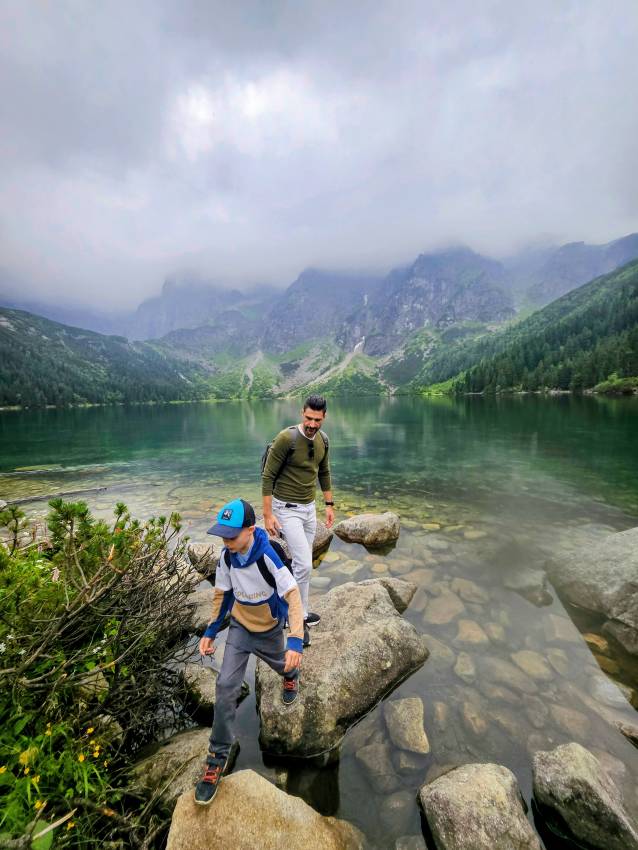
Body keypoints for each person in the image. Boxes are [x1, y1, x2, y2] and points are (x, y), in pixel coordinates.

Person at [194, 498, 304, 806]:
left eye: (232, 535)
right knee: (225, 686)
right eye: (223, 536)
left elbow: (293, 595)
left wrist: (295, 640)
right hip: (241, 630)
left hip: (269, 628)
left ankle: (291, 675)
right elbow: (222, 596)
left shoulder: (268, 554)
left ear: (250, 530)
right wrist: (211, 631)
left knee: (284, 664)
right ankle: (216, 759)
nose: (226, 541)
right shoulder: (226, 559)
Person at [262, 394, 334, 648]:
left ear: (324, 417)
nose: (312, 424)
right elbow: (268, 476)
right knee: (303, 564)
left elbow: (323, 472)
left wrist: (328, 504)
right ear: (302, 413)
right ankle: (295, 619)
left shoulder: (323, 440)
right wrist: (268, 514)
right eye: (308, 418)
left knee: (303, 565)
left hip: (308, 509)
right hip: (286, 509)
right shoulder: (286, 439)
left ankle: (300, 611)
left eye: (317, 419)